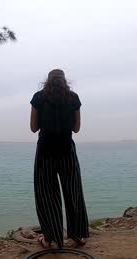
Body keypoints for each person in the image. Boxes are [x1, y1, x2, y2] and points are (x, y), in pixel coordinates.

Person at [30, 69, 89, 249]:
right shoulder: (73, 98)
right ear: (65, 81)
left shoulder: (39, 98)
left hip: (45, 153)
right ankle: (77, 235)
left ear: (47, 81)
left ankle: (51, 238)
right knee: (73, 192)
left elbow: (33, 128)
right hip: (67, 152)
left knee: (47, 196)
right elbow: (77, 129)